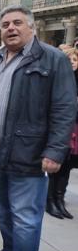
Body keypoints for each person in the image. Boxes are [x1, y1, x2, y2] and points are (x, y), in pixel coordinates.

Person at [0, 5, 76, 251]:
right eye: (6, 23)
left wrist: (55, 150)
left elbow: (64, 107)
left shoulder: (52, 59)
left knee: (26, 218)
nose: (10, 28)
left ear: (31, 27)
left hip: (29, 154)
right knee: (4, 212)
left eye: (18, 22)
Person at [45, 47, 78, 220]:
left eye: (74, 59)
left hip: (74, 129)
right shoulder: (58, 77)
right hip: (63, 129)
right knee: (56, 166)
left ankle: (59, 199)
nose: (72, 63)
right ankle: (50, 200)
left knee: (67, 167)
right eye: (69, 60)